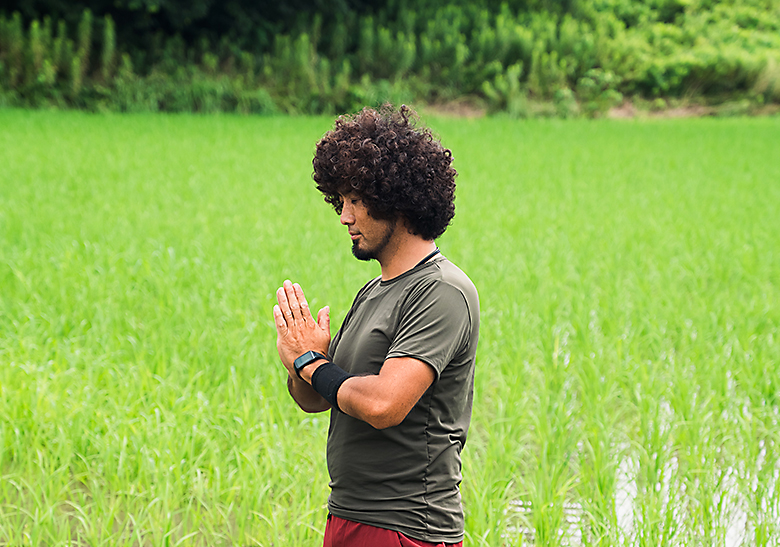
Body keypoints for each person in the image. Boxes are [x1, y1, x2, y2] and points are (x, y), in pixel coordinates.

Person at [273, 104, 480, 547]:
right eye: (340, 201)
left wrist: (311, 362)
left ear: (395, 198)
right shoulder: (373, 291)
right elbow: (318, 399)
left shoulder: (442, 291)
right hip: (349, 516)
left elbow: (385, 404)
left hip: (406, 527)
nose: (344, 217)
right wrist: (298, 362)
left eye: (355, 200)